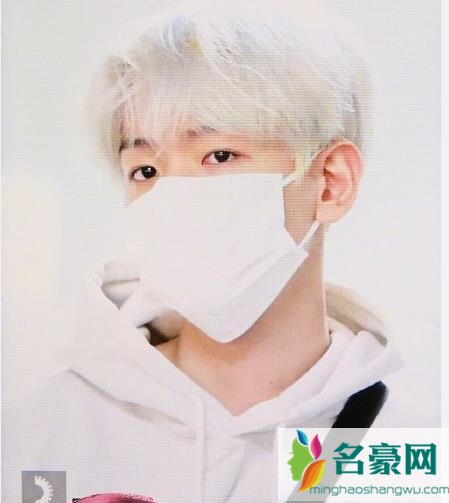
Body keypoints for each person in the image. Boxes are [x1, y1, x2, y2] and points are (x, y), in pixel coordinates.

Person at [4, 1, 409, 502]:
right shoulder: (37, 436)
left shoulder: (415, 444)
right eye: (146, 170)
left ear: (330, 182)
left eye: (219, 155)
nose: (172, 197)